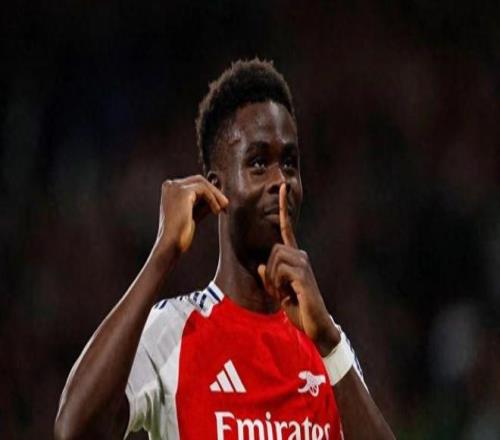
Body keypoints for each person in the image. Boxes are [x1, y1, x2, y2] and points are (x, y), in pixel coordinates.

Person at [54, 59, 395, 439]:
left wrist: (329, 342)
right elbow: (75, 430)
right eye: (259, 163)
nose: (280, 181)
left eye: (289, 163)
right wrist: (162, 254)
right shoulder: (173, 331)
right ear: (217, 188)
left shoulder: (326, 342)